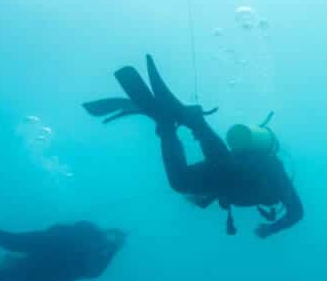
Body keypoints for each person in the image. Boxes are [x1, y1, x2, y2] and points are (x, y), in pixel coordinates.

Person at [83, 55, 303, 238]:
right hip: (236, 169)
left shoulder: (256, 183)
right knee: (222, 166)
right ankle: (193, 121)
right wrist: (271, 229)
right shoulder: (276, 174)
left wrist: (201, 197)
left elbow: (218, 187)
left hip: (226, 174)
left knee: (181, 182)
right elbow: (297, 213)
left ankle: (167, 123)